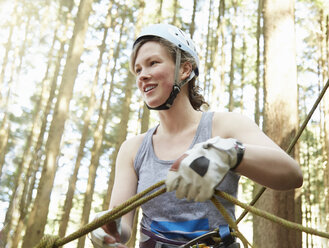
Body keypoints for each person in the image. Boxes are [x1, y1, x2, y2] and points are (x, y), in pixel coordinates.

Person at [90, 23, 303, 248]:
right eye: (138, 69)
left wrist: (231, 152)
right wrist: (107, 233)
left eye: (153, 63)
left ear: (184, 69)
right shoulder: (132, 149)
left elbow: (292, 174)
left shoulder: (226, 126)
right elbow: (122, 229)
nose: (143, 75)